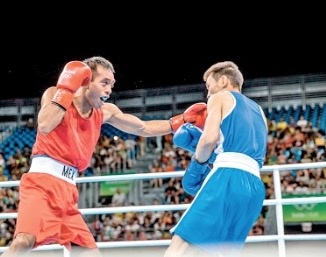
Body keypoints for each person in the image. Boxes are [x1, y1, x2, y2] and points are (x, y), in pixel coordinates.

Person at [1, 56, 208, 257]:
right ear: (85, 81)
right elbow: (45, 125)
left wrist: (179, 121)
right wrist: (66, 89)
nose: (109, 90)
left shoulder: (105, 112)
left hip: (68, 193)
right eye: (104, 82)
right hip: (41, 186)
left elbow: (143, 128)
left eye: (112, 84)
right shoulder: (56, 93)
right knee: (23, 242)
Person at [164, 61, 268, 257]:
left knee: (181, 245)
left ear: (222, 81)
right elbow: (246, 151)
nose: (208, 94)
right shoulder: (259, 111)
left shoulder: (220, 97)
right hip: (255, 187)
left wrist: (198, 161)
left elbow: (209, 139)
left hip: (228, 178)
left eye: (209, 87)